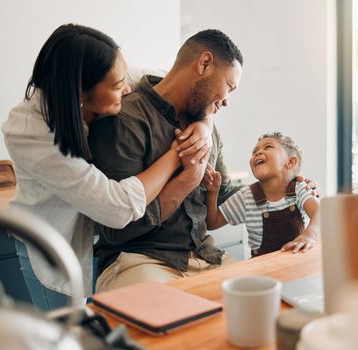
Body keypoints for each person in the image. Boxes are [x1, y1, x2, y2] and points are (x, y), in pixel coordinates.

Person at [1, 24, 212, 310]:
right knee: (65, 337)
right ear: (80, 93)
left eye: (123, 78)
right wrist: (176, 155)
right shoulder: (28, 131)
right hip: (54, 245)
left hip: (102, 245)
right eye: (116, 86)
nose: (126, 88)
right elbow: (117, 207)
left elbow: (182, 89)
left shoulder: (113, 75)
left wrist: (204, 126)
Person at [88, 29, 245, 292]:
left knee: (263, 304)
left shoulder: (206, 125)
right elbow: (114, 229)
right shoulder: (125, 120)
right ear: (204, 63)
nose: (227, 101)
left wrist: (275, 191)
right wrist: (186, 181)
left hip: (204, 257)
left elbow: (221, 195)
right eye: (229, 86)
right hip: (139, 260)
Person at [205, 132, 320, 257]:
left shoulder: (299, 188)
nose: (257, 152)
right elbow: (212, 222)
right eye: (255, 151)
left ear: (290, 162)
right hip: (261, 269)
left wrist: (310, 235)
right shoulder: (246, 196)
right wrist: (212, 192)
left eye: (268, 147)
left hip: (297, 261)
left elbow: (321, 212)